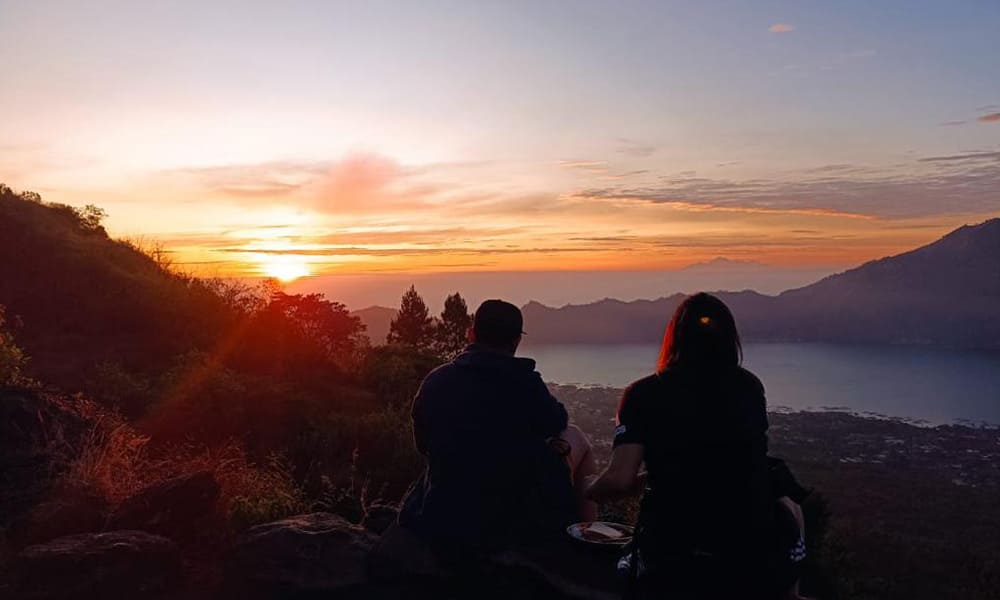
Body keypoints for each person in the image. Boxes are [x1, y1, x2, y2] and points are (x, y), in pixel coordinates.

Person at [584, 293, 811, 600]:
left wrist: (587, 489)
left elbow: (620, 479)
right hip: (752, 550)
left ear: (674, 338)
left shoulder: (644, 394)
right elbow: (721, 461)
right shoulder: (749, 386)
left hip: (675, 551)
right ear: (730, 338)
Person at [399, 299, 597, 561]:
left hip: (444, 517)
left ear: (472, 333)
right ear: (516, 341)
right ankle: (585, 539)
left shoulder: (437, 380)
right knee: (576, 437)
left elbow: (423, 445)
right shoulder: (526, 384)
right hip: (513, 520)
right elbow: (557, 421)